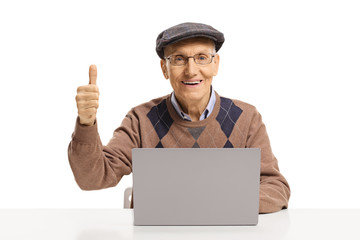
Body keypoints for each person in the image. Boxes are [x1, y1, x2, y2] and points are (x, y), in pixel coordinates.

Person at [68, 22, 290, 213]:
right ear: (165, 68)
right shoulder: (140, 119)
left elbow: (276, 187)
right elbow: (92, 178)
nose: (191, 70)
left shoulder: (246, 118)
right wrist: (86, 123)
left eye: (202, 58)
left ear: (216, 64)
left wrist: (213, 203)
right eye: (179, 59)